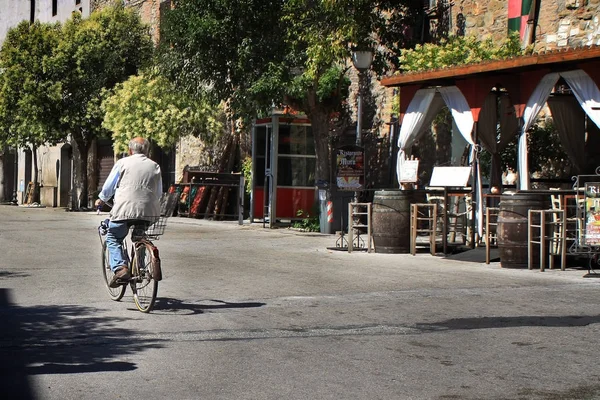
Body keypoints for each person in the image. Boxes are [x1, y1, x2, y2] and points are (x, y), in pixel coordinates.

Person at [95, 137, 163, 287]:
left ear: (130, 150)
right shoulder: (155, 166)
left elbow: (108, 187)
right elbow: (158, 193)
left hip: (124, 210)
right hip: (148, 212)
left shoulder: (122, 163)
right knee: (140, 237)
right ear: (147, 151)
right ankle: (140, 266)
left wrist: (101, 200)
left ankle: (121, 268)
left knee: (113, 237)